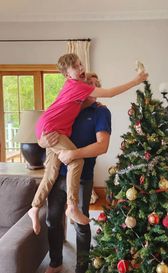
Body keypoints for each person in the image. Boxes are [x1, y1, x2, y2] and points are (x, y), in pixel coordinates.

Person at [28, 53, 148, 234]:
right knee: (75, 161)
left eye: (80, 64)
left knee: (51, 172)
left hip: (49, 128)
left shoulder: (82, 101)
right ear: (68, 75)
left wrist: (96, 104)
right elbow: (110, 93)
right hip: (51, 129)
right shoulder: (77, 86)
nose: (81, 68)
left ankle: (35, 207)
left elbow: (82, 111)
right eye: (76, 67)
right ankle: (72, 206)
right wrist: (136, 80)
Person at [41, 73, 111, 273]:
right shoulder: (68, 108)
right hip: (57, 175)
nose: (93, 87)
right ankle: (55, 262)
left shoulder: (101, 113)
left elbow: (102, 146)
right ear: (80, 87)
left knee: (80, 222)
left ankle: (82, 267)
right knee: (52, 219)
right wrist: (42, 141)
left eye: (97, 84)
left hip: (83, 176)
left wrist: (73, 154)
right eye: (89, 83)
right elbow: (44, 132)